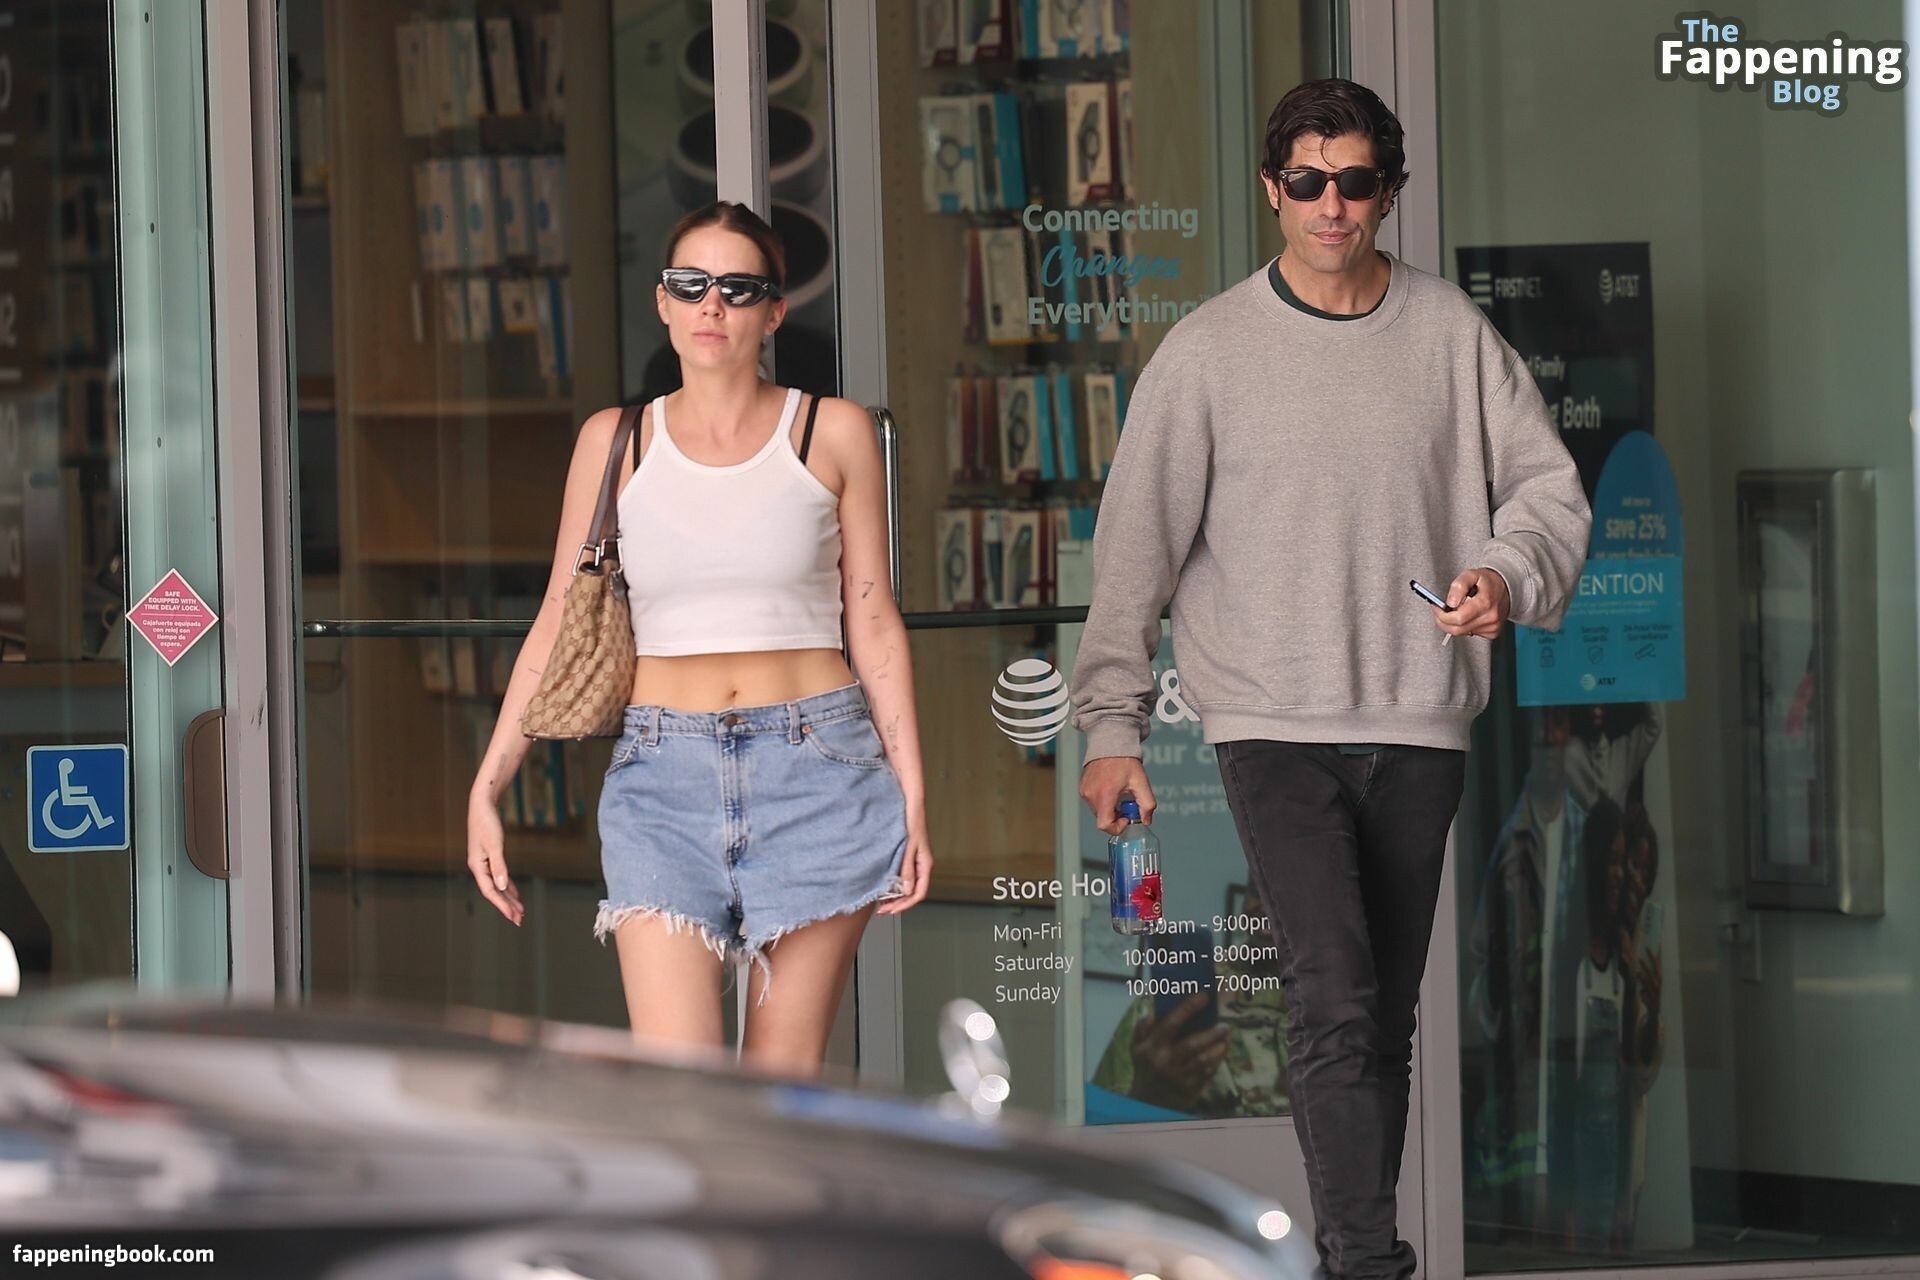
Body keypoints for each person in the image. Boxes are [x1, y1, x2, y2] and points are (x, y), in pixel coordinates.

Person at [1069, 78, 1591, 1280]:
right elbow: (1135, 548)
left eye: (1355, 181)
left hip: (1419, 717)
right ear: (1273, 189)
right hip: (1271, 721)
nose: (1330, 204)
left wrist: (1505, 574)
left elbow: (1547, 492)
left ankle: (1353, 1251)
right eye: (1306, 181)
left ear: (1388, 193)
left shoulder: (1451, 333)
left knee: (1380, 1015)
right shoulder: (1209, 352)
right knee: (1337, 997)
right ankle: (1367, 1262)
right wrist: (1111, 724)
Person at [465, 201, 933, 1076]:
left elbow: (873, 619)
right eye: (690, 284)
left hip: (818, 769)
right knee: (680, 1088)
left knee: (778, 1087)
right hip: (661, 778)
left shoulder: (832, 430)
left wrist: (913, 795)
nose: (711, 305)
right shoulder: (615, 441)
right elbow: (557, 620)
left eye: (738, 287)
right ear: (663, 302)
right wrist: (488, 786)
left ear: (774, 311)